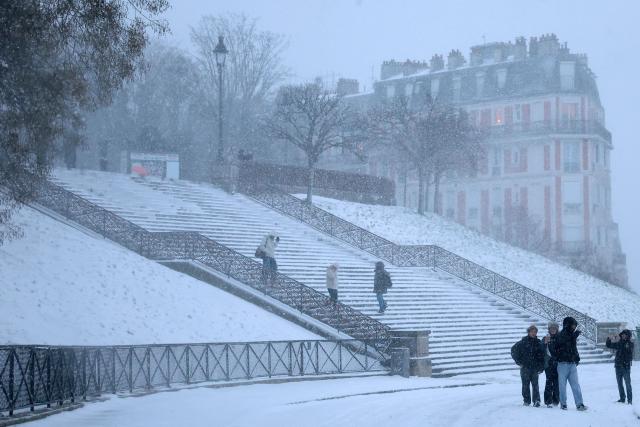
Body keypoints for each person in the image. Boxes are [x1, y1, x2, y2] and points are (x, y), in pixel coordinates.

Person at [550, 316, 587, 411]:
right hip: (562, 365)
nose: (574, 327)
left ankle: (579, 404)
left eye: (575, 325)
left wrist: (577, 358)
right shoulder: (561, 335)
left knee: (576, 385)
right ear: (568, 325)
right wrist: (558, 358)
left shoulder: (572, 335)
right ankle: (563, 404)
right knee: (562, 386)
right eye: (573, 325)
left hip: (572, 364)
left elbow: (573, 348)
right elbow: (557, 348)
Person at [511, 325, 545, 407]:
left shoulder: (538, 342)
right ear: (528, 332)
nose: (533, 333)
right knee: (525, 385)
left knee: (535, 385)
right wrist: (519, 362)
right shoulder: (523, 342)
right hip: (525, 367)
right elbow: (513, 350)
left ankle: (536, 400)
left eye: (535, 332)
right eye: (532, 331)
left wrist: (541, 367)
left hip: (535, 368)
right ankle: (526, 400)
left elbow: (542, 356)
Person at [606, 329, 634, 404]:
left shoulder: (630, 344)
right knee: (619, 384)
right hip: (618, 366)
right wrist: (609, 339)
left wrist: (621, 342)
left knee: (628, 384)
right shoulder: (619, 343)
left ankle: (630, 400)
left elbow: (628, 354)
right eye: (622, 334)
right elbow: (609, 345)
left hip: (626, 367)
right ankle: (622, 398)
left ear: (628, 336)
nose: (623, 336)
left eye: (625, 335)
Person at [543, 322, 560, 407]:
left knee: (557, 382)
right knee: (549, 382)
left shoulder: (560, 338)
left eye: (554, 328)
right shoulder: (545, 338)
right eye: (551, 328)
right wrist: (545, 343)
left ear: (557, 329)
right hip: (549, 364)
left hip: (558, 364)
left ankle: (556, 401)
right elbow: (541, 349)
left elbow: (560, 350)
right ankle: (548, 401)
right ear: (549, 330)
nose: (553, 330)